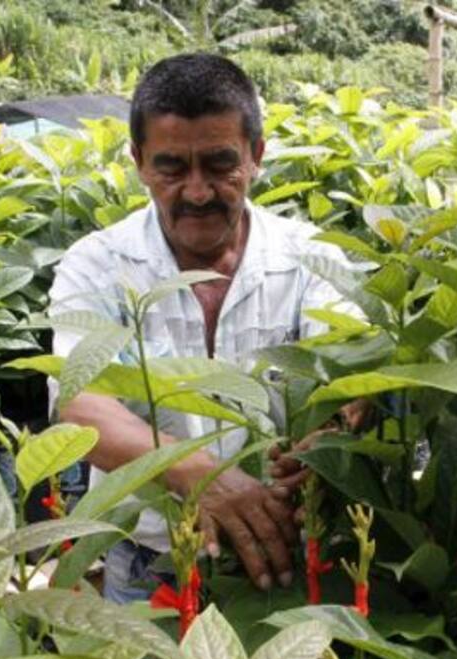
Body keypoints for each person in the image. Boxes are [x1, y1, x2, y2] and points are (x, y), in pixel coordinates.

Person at [48, 53, 357, 602]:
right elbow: (79, 404)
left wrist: (331, 432)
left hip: (292, 558)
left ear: (256, 155)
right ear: (139, 162)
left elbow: (352, 368)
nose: (197, 192)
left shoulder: (312, 259)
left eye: (219, 165)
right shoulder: (98, 265)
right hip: (149, 570)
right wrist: (199, 474)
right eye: (171, 168)